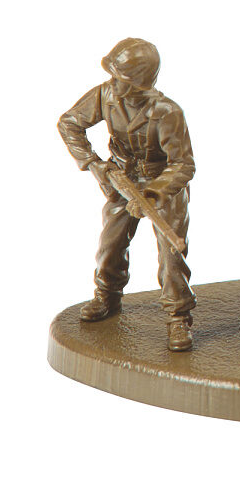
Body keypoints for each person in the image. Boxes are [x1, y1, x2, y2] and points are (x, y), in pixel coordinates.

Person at [58, 38, 196, 350]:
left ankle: (178, 316)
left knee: (171, 255)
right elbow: (69, 124)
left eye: (121, 78)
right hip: (121, 180)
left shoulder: (167, 112)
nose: (113, 83)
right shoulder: (105, 95)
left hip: (163, 186)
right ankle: (107, 295)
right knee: (111, 243)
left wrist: (152, 193)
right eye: (114, 76)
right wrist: (95, 164)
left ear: (139, 82)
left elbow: (183, 165)